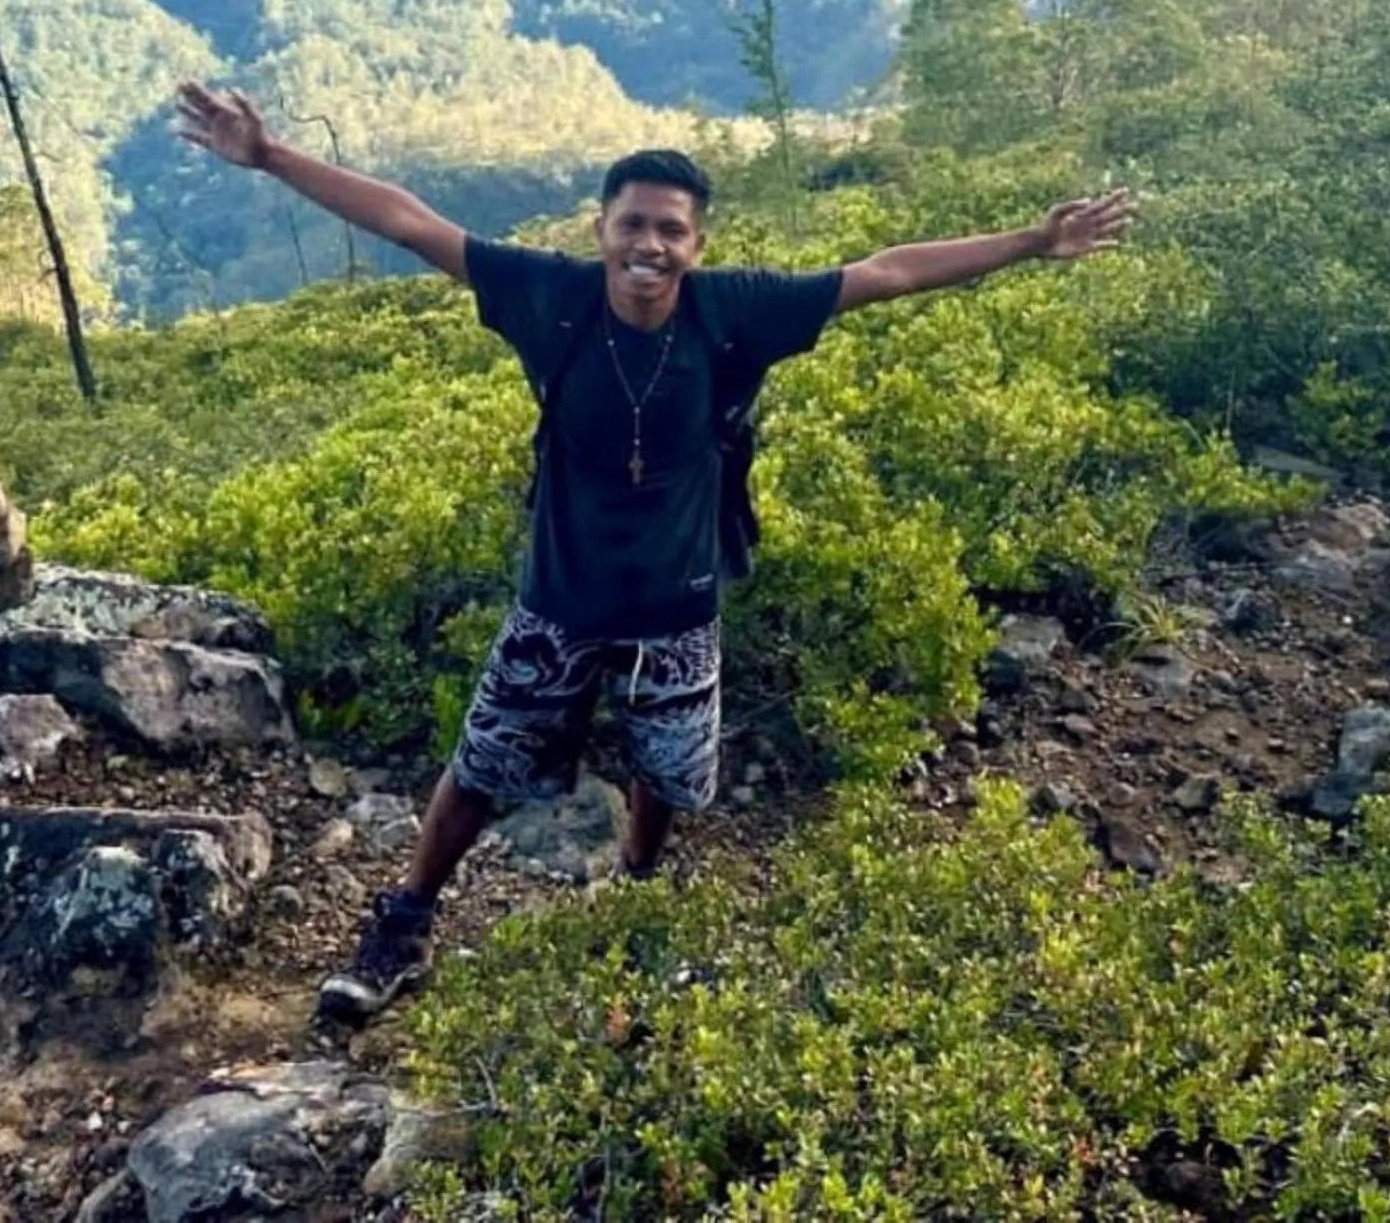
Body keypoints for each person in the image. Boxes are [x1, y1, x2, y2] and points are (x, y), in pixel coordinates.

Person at [171, 81, 1135, 1022]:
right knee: (480, 764)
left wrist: (1035, 242)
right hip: (560, 600)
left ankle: (635, 887)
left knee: (668, 773)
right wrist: (268, 156)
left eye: (671, 229)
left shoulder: (734, 311)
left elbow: (887, 272)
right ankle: (408, 918)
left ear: (696, 244)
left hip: (679, 604)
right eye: (633, 224)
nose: (650, 245)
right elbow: (410, 222)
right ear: (601, 230)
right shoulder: (550, 298)